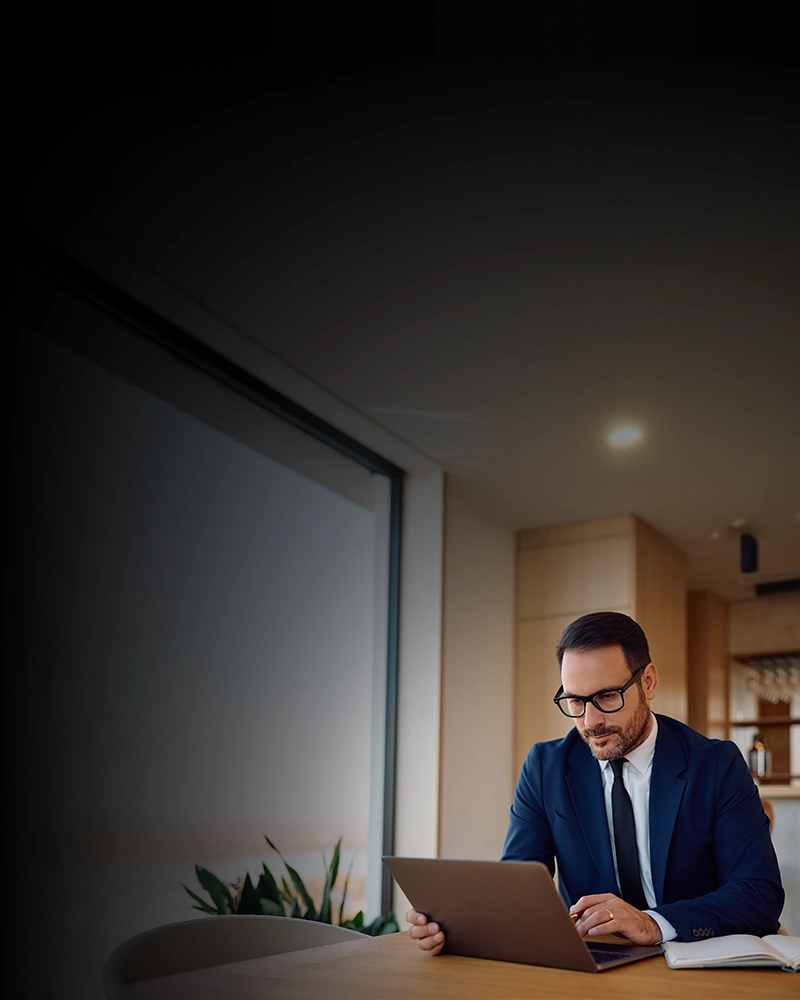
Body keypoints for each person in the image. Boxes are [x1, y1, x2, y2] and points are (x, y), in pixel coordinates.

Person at [408, 612, 784, 954]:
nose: (590, 722)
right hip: (593, 964)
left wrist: (652, 923)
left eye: (607, 696)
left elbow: (758, 893)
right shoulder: (545, 768)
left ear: (648, 682)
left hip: (694, 959)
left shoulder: (716, 765)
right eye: (575, 701)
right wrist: (457, 927)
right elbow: (518, 889)